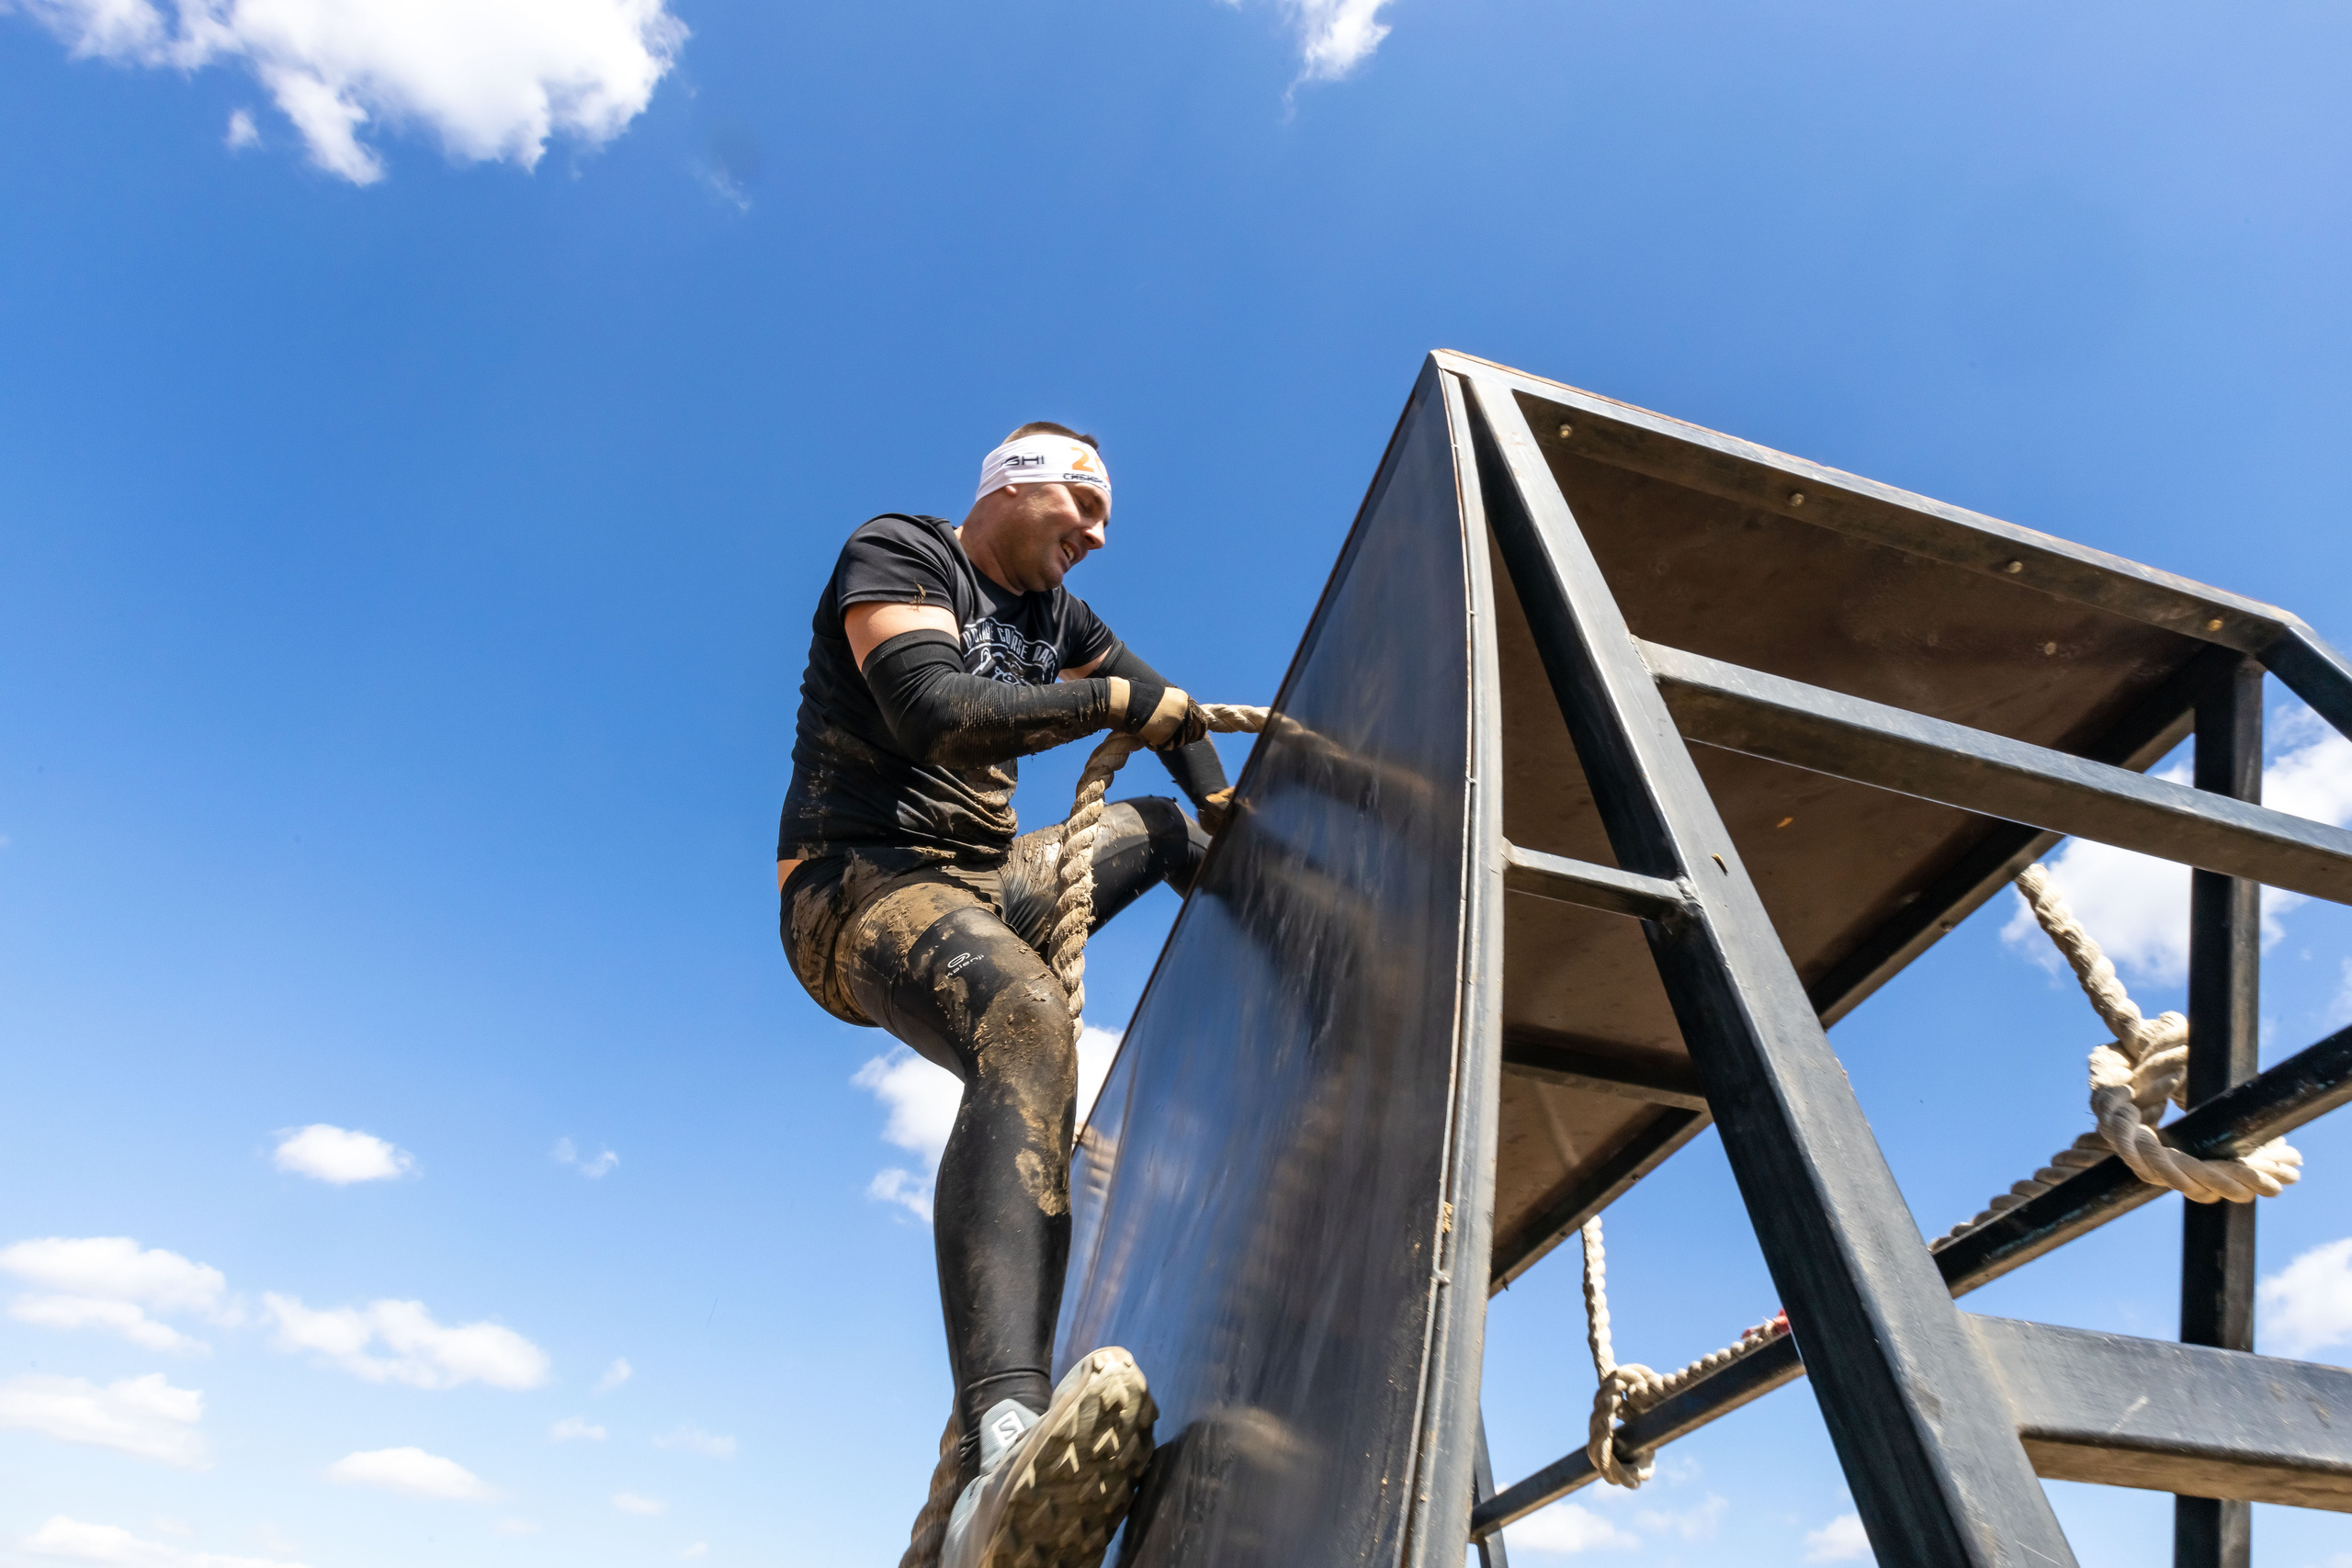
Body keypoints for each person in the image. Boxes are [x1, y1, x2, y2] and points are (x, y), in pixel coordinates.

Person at [775, 423, 1231, 1568]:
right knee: (1026, 1018)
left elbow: (1160, 699)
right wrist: (1120, 706)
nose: (1095, 538)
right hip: (856, 886)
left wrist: (1219, 805)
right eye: (1084, 508)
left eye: (1106, 524)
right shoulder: (903, 554)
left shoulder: (1059, 624)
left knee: (1176, 832)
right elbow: (929, 707)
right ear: (1017, 486)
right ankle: (1002, 1437)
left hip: (988, 882)